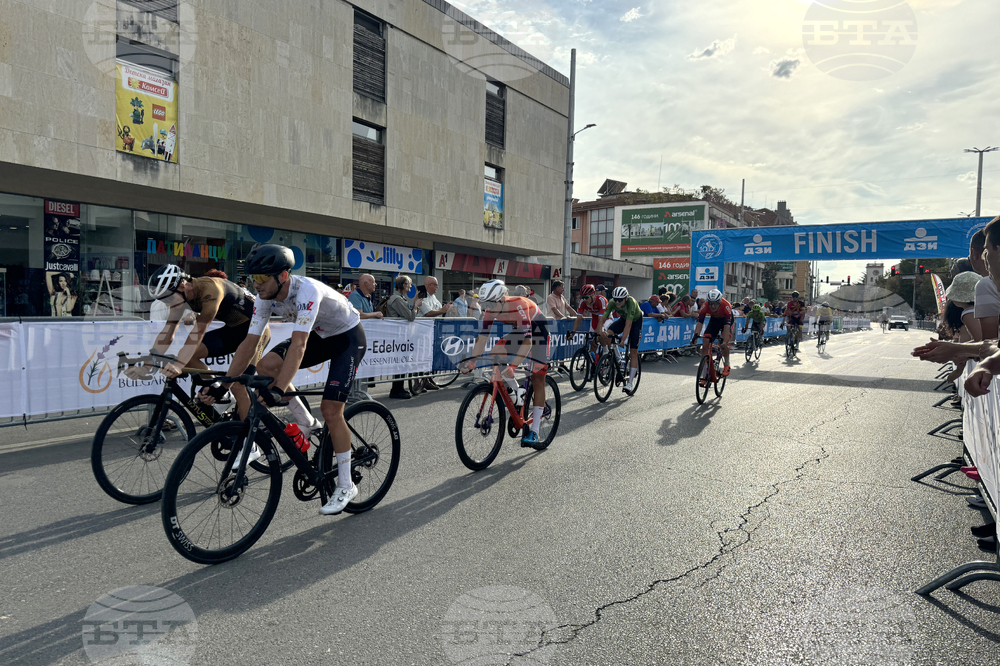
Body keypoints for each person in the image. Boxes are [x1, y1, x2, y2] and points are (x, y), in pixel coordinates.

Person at [224, 244, 365, 516]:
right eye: (254, 278)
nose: (257, 284)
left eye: (263, 278)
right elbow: (250, 342)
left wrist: (278, 390)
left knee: (331, 410)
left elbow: (299, 345)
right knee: (266, 365)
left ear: (283, 276)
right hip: (320, 337)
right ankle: (306, 422)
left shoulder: (307, 291)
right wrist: (226, 383)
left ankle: (346, 485)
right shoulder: (265, 298)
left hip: (347, 338)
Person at [147, 264, 278, 424]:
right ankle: (223, 394)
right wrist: (150, 357)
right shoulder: (181, 298)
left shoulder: (211, 289)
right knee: (191, 357)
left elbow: (197, 333)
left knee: (238, 385)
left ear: (182, 285)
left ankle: (249, 444)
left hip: (257, 332)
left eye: (167, 298)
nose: (166, 304)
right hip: (233, 331)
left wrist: (178, 364)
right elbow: (168, 333)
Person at [458, 279, 550, 448]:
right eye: (484, 304)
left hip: (539, 333)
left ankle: (535, 431)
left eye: (489, 304)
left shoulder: (518, 305)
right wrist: (471, 362)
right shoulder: (491, 309)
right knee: (496, 352)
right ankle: (516, 391)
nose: (486, 308)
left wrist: (513, 366)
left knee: (538, 379)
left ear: (501, 300)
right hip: (521, 331)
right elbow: (482, 338)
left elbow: (528, 343)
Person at [597, 286, 643, 393]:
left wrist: (623, 340)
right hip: (623, 319)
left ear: (626, 298)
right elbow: (603, 318)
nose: (617, 302)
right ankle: (616, 358)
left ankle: (630, 383)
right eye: (615, 299)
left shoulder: (631, 302)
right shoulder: (612, 302)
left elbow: (628, 325)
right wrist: (601, 331)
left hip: (635, 321)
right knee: (608, 334)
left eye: (620, 300)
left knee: (633, 353)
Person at [385, 275, 424, 399]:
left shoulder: (400, 298)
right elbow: (410, 316)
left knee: (401, 362)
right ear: (403, 285)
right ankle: (396, 390)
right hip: (398, 336)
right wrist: (416, 306)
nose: (410, 286)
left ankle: (399, 389)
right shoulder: (397, 299)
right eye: (408, 284)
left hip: (401, 335)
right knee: (399, 362)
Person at [690, 288, 733, 378]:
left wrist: (724, 341)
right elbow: (700, 322)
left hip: (726, 322)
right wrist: (695, 336)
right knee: (705, 342)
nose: (713, 306)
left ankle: (727, 364)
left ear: (720, 301)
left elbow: (727, 327)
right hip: (714, 321)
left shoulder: (726, 306)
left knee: (723, 344)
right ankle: (704, 372)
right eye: (711, 303)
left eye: (716, 303)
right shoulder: (705, 306)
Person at [570, 284, 609, 362]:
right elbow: (578, 319)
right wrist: (573, 333)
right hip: (595, 317)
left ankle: (606, 351)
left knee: (600, 334)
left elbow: (601, 320)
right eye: (583, 297)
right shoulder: (582, 302)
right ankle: (592, 365)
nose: (584, 300)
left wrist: (599, 331)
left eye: (586, 297)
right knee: (593, 342)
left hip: (606, 317)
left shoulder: (601, 300)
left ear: (593, 295)